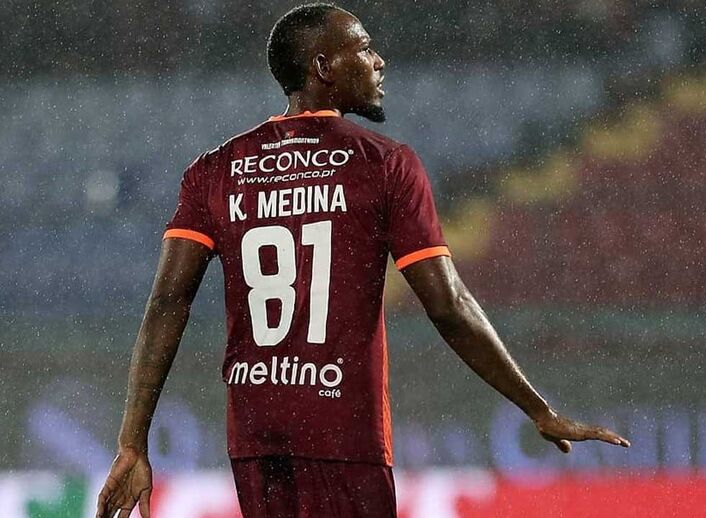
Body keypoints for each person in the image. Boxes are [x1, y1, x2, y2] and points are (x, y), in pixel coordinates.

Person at [95, 3, 629, 517]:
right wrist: (538, 409)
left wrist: (132, 441)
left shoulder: (216, 169)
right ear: (323, 67)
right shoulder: (385, 164)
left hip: (258, 438)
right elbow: (448, 305)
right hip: (342, 433)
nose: (378, 61)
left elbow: (168, 301)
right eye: (364, 48)